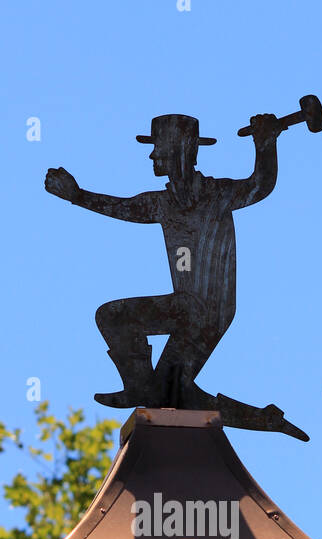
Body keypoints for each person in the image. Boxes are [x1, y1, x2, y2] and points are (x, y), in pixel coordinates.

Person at [45, 112, 282, 408]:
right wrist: (77, 196)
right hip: (184, 306)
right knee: (127, 338)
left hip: (209, 312)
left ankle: (145, 390)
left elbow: (260, 184)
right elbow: (124, 208)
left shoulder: (218, 194)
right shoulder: (161, 203)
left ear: (180, 149)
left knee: (166, 391)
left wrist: (265, 142)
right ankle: (140, 387)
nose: (153, 154)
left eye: (159, 147)